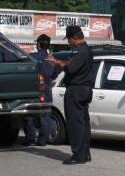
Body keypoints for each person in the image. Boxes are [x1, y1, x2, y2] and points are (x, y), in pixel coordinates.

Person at [47, 26, 93, 165]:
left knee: (75, 123)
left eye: (69, 39)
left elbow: (70, 68)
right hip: (84, 89)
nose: (69, 42)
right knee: (83, 122)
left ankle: (78, 155)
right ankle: (85, 153)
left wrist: (57, 63)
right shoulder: (87, 50)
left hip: (76, 89)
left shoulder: (80, 51)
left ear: (74, 38)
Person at [23, 34, 57, 146]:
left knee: (29, 114)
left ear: (39, 44)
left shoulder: (32, 57)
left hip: (33, 90)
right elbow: (54, 75)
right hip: (47, 90)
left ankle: (30, 138)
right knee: (45, 115)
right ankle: (43, 140)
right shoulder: (51, 59)